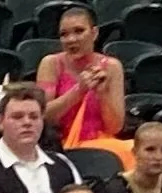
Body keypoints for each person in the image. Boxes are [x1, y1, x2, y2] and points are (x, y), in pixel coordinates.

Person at [36, 4, 128, 163]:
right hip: (59, 145)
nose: (71, 39)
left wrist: (103, 94)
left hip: (102, 145)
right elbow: (42, 116)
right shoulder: (51, 63)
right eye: (64, 34)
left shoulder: (112, 67)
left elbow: (115, 127)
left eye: (79, 31)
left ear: (94, 33)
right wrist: (79, 91)